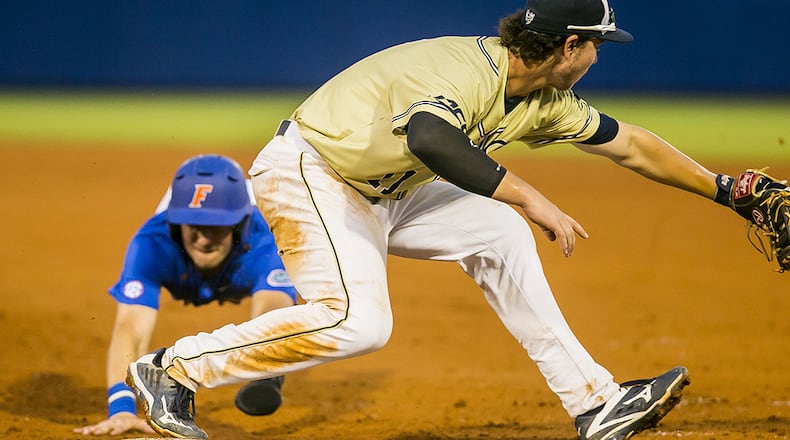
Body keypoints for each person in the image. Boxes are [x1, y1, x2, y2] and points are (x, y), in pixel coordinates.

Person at [124, 1, 763, 438]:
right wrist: (528, 194)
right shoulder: (464, 70)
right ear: (569, 46)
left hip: (388, 190)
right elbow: (432, 137)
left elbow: (629, 144)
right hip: (313, 171)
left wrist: (725, 190)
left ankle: (594, 405)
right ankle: (171, 370)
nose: (598, 57)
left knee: (499, 230)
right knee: (360, 322)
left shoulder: (542, 99)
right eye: (596, 45)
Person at [75, 154, 299, 436]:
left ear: (239, 224)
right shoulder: (153, 243)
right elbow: (130, 327)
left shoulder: (267, 238)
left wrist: (266, 367)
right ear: (176, 221)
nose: (204, 239)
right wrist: (121, 410)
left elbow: (273, 311)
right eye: (194, 225)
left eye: (216, 228)